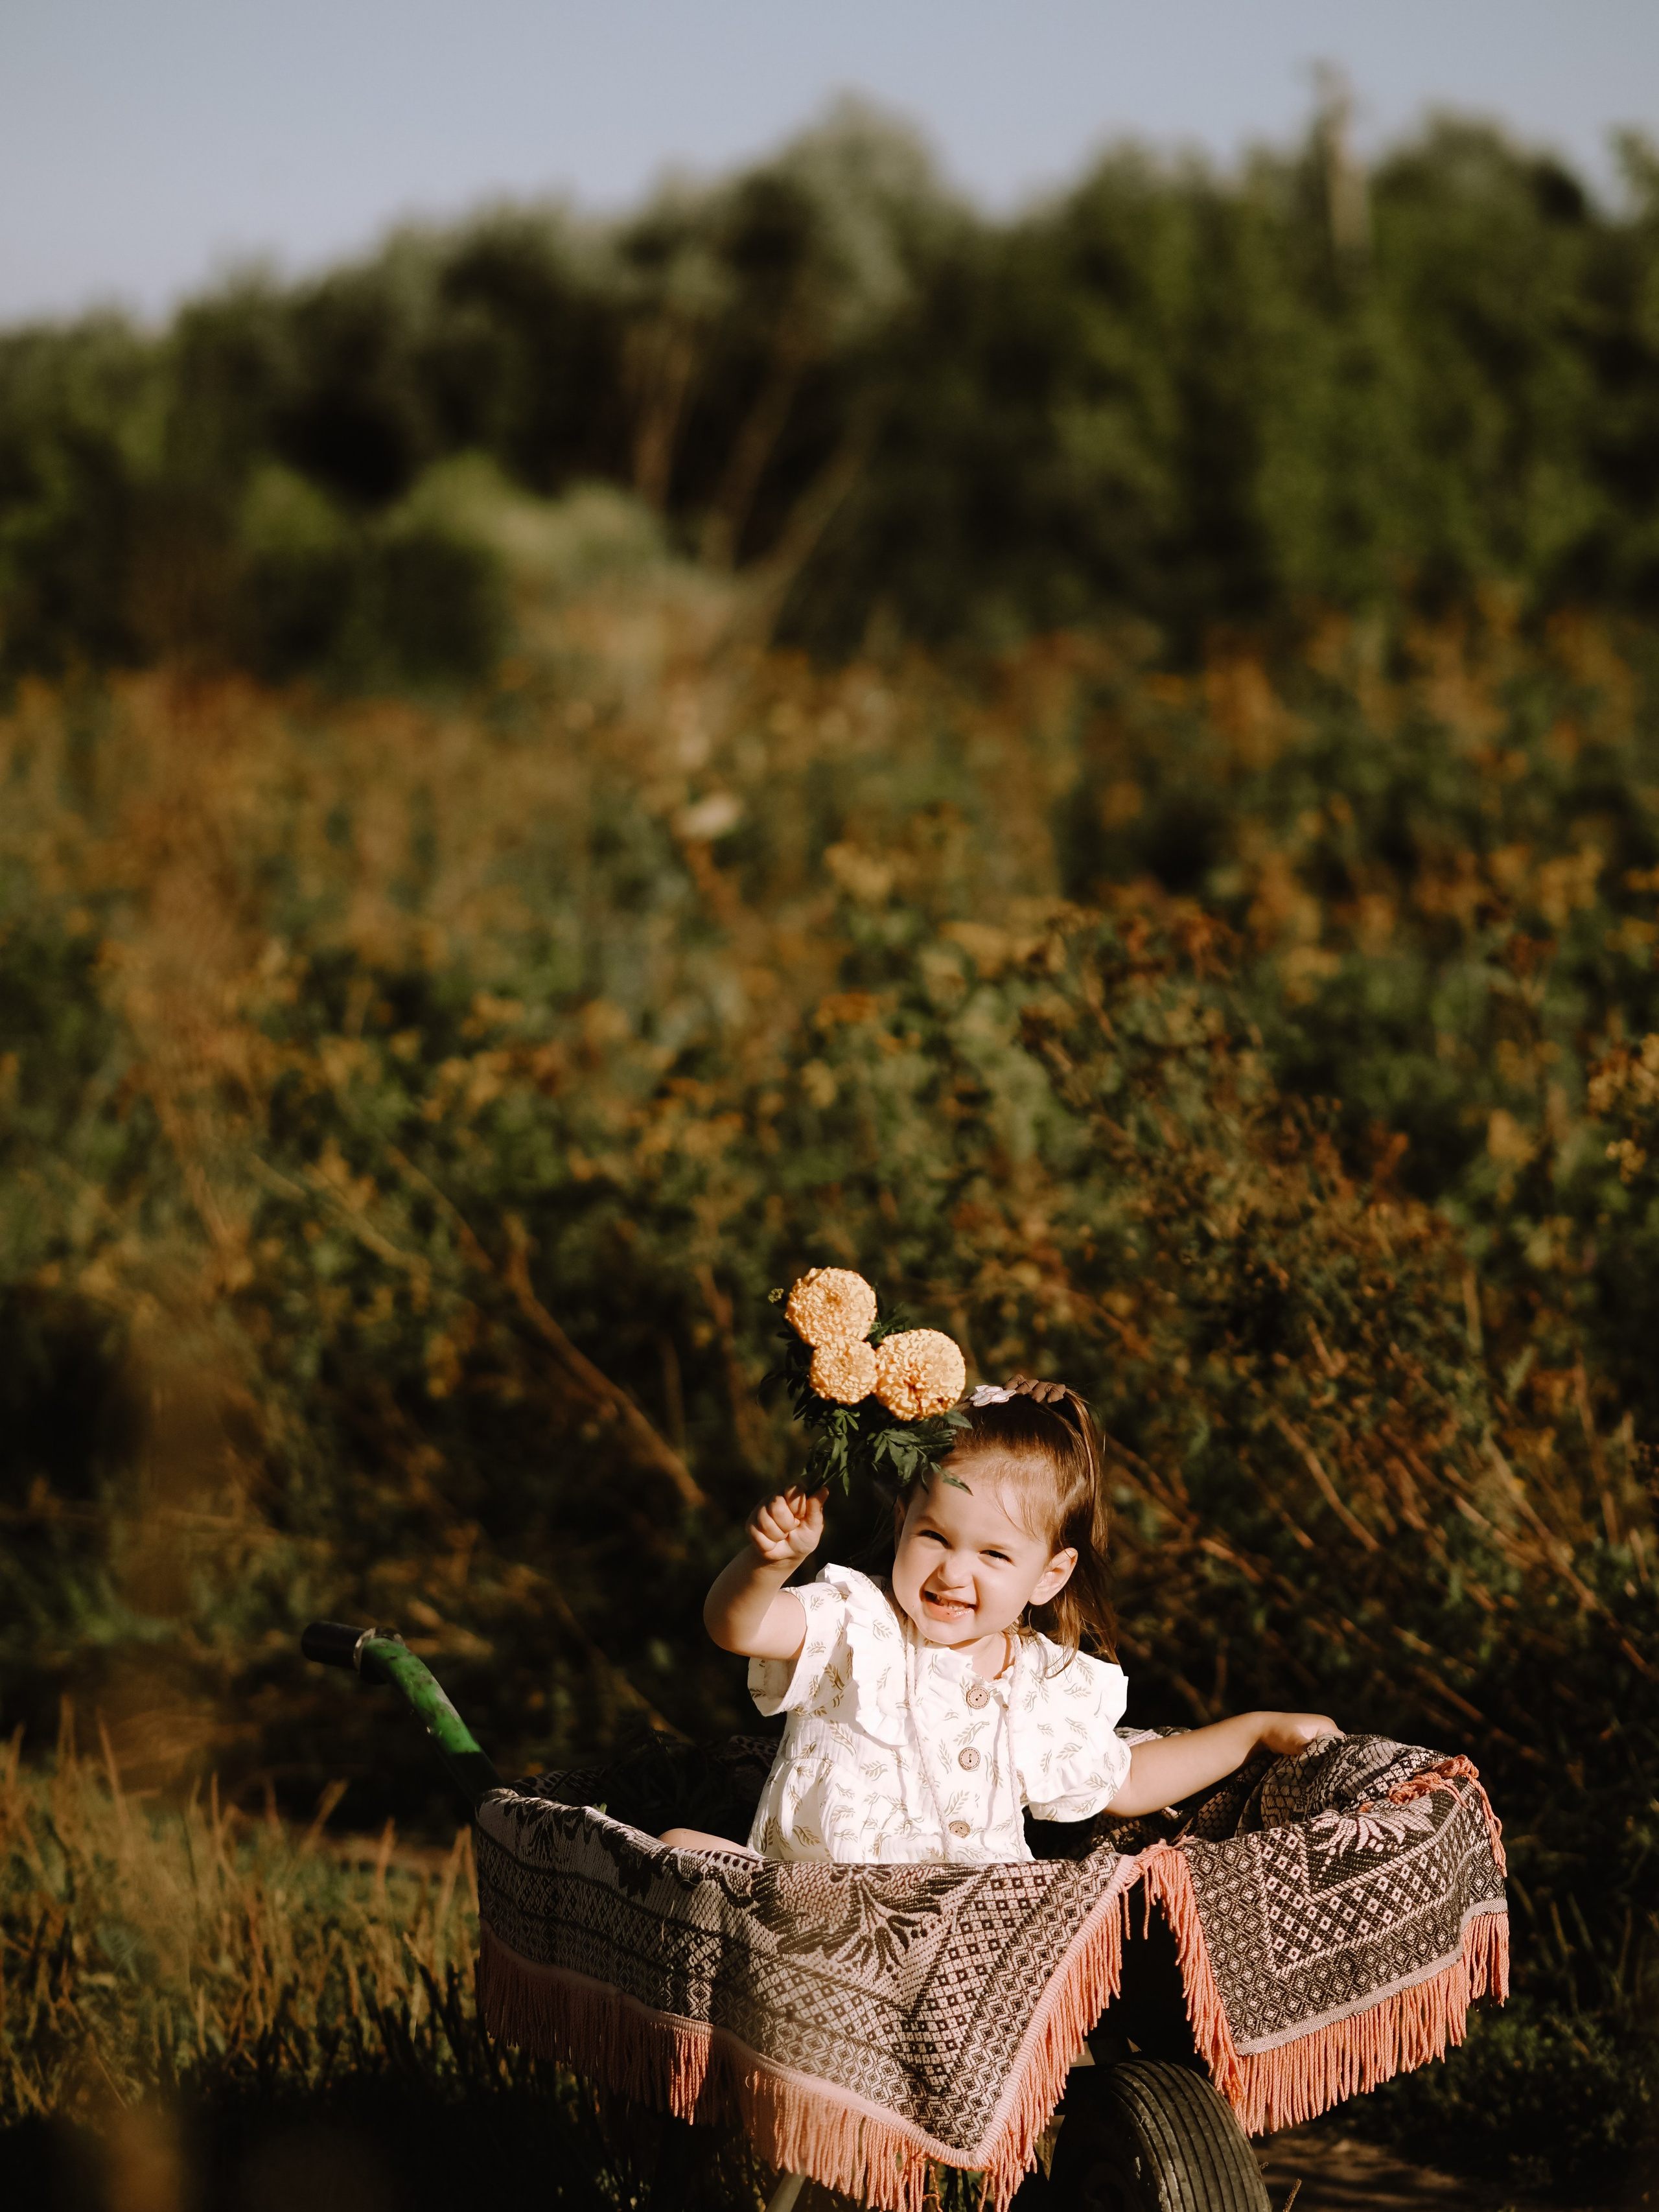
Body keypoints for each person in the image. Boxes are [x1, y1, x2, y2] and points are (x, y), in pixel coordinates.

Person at [661, 1374, 1338, 1863]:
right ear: (901, 1522)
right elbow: (738, 1627)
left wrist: (1253, 1730)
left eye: (992, 1552)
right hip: (813, 1916)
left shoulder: (1040, 1682)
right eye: (933, 1537)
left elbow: (1128, 1781)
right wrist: (765, 1564)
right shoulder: (856, 1621)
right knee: (678, 1851)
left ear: (1049, 1574)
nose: (954, 1572)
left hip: (964, 1942)